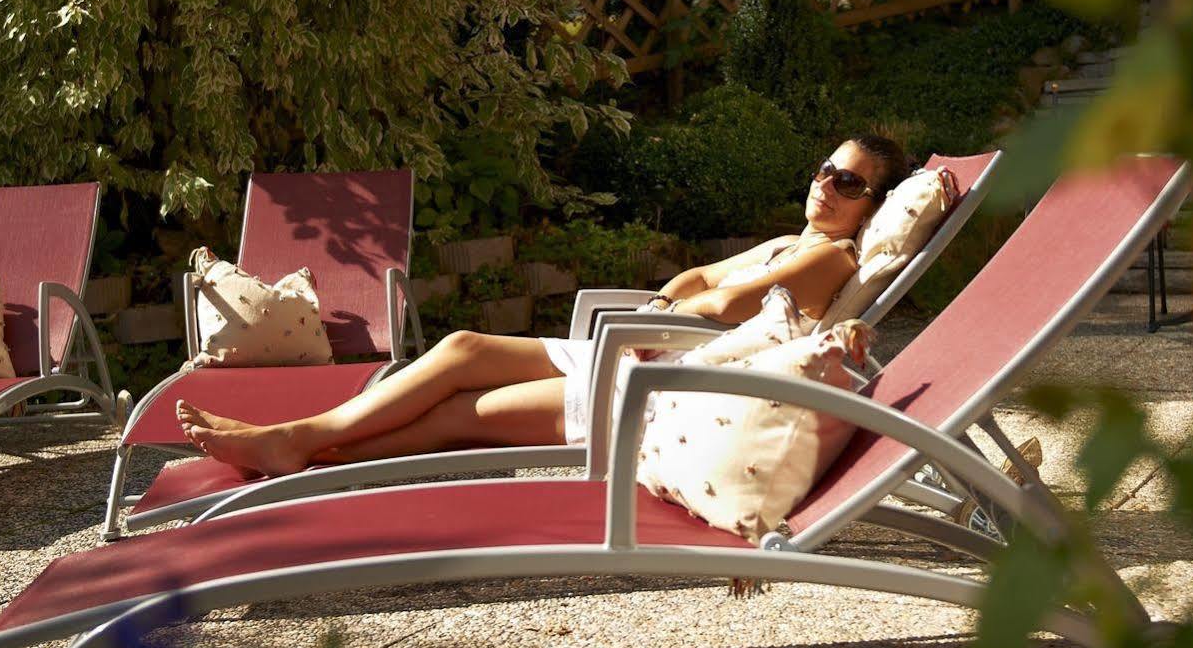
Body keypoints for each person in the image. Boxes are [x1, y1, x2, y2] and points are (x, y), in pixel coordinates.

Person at [175, 134, 911, 476]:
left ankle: (298, 447)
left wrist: (690, 295)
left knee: (459, 417)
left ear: (871, 206)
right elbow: (695, 279)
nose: (826, 184)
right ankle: (296, 439)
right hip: (647, 340)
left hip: (663, 379)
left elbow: (718, 302)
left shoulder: (826, 257)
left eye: (849, 183)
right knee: (464, 348)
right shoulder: (794, 238)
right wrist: (685, 294)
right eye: (825, 168)